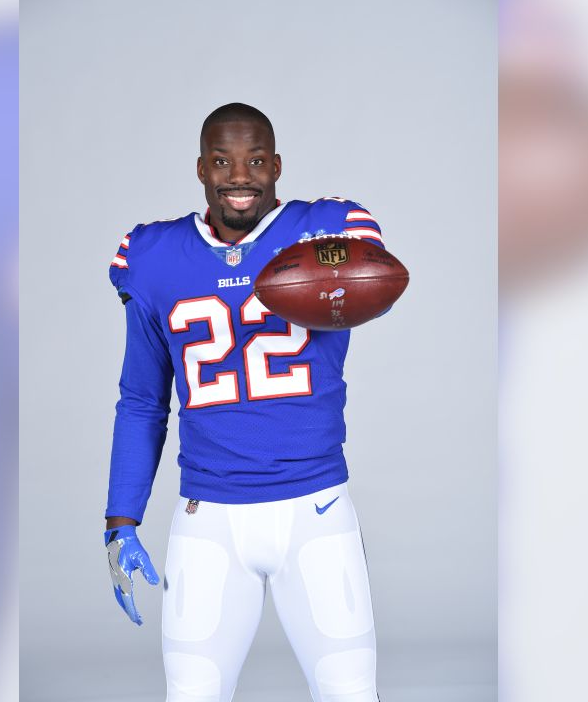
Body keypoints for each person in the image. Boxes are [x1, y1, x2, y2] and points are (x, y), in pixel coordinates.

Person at [104, 103, 385, 702]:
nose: (240, 176)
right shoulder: (156, 256)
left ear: (277, 164)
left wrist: (332, 261)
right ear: (201, 169)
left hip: (316, 508)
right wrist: (120, 520)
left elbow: (372, 260)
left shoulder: (320, 232)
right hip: (210, 519)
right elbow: (142, 400)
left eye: (256, 160)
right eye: (224, 161)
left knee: (351, 695)